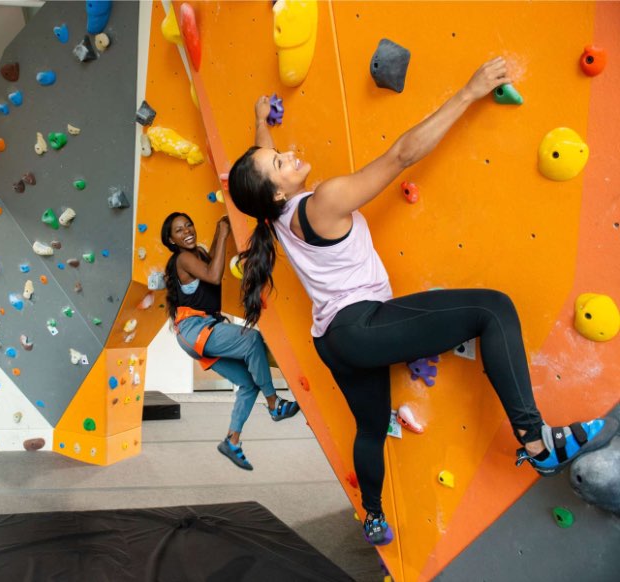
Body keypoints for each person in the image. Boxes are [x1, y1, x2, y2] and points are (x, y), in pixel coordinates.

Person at [226, 57, 618, 545]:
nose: (285, 155)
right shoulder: (322, 201)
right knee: (493, 309)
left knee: (370, 429)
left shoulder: (275, 214)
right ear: (277, 189)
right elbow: (400, 156)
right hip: (359, 327)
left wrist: (262, 123)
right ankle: (536, 441)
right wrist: (469, 91)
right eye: (279, 161)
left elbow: (258, 173)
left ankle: (372, 516)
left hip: (333, 341)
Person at [161, 211, 301, 470]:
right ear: (171, 240)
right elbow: (214, 276)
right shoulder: (182, 258)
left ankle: (232, 441)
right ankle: (274, 403)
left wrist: (218, 230)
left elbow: (211, 261)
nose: (187, 231)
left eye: (189, 225)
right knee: (252, 340)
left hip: (196, 333)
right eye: (179, 230)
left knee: (248, 384)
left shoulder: (196, 255)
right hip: (196, 328)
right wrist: (224, 233)